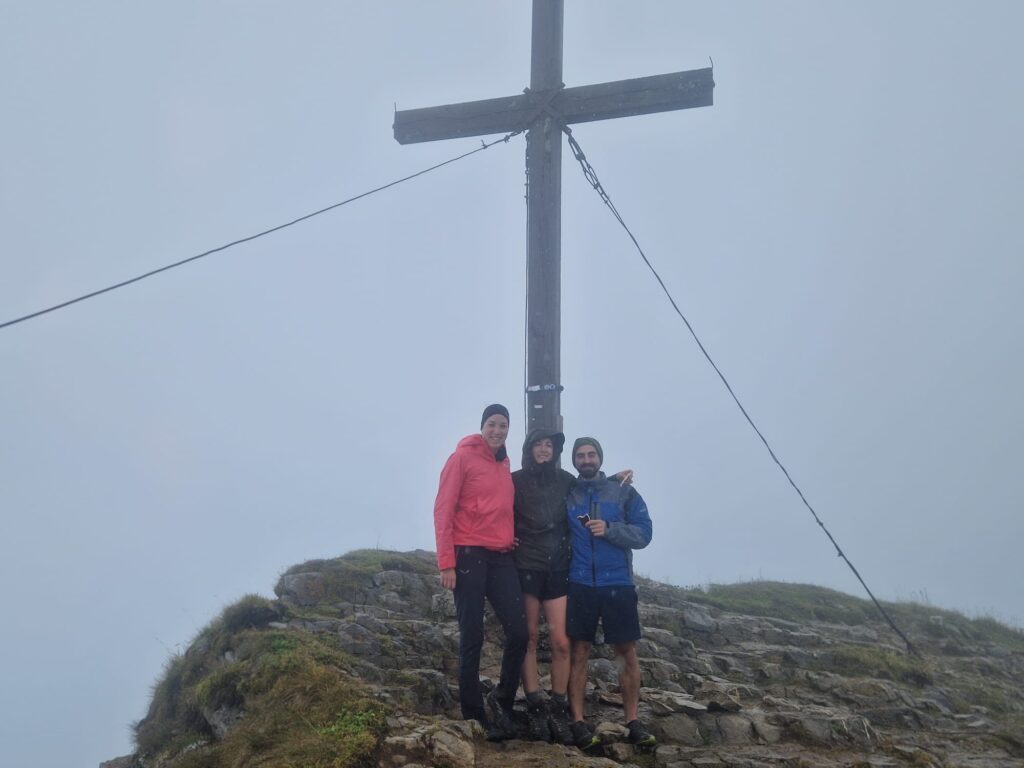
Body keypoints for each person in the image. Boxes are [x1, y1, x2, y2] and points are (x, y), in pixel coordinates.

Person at [433, 404, 528, 741]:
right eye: (492, 424)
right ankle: (474, 715)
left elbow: (499, 508)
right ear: (482, 426)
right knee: (471, 635)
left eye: (503, 425)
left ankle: (501, 700)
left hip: (501, 556)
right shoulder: (461, 458)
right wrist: (446, 562)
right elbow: (443, 509)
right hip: (468, 555)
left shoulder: (504, 464)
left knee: (520, 633)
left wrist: (507, 533)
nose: (497, 431)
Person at [565, 437, 656, 749]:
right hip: (579, 583)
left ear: (599, 459)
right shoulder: (569, 491)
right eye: (580, 456)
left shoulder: (624, 491)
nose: (586, 460)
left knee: (626, 653)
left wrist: (611, 530)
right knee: (579, 652)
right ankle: (577, 721)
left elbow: (645, 533)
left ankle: (632, 720)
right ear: (574, 461)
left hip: (617, 582)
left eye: (591, 455)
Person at [511, 428, 576, 744]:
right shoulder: (515, 480)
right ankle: (536, 704)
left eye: (549, 444)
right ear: (529, 449)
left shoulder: (566, 480)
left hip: (558, 568)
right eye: (538, 444)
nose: (544, 449)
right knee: (531, 637)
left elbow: (592, 489)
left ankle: (559, 706)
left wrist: (614, 478)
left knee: (561, 641)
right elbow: (495, 508)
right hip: (526, 566)